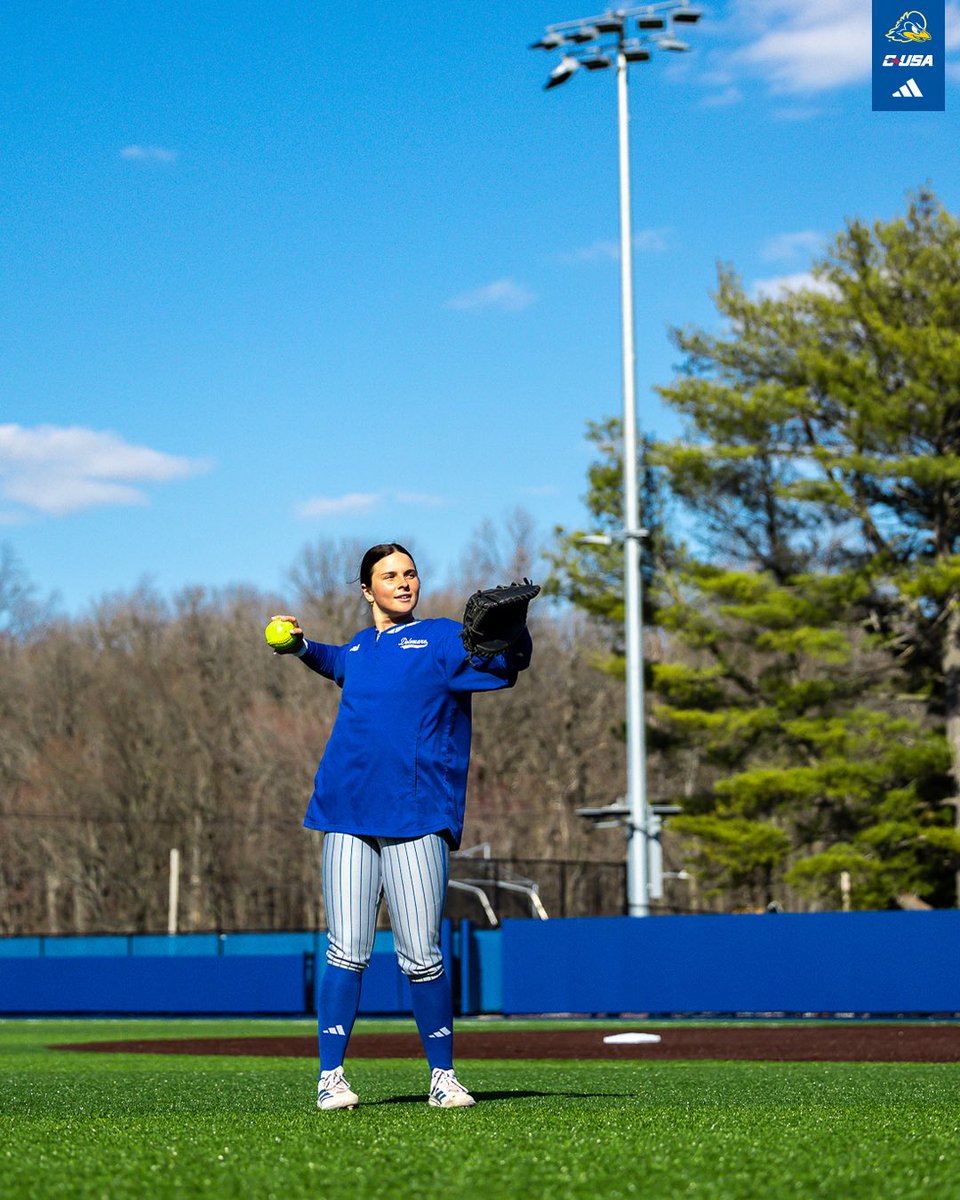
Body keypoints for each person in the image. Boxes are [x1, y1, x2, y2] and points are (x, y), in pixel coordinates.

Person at [270, 542, 533, 1111]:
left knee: (421, 954)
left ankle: (443, 1076)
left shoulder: (440, 639)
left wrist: (516, 634)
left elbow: (503, 667)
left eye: (410, 573)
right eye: (390, 576)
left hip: (416, 814)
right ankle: (331, 1077)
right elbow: (336, 662)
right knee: (346, 950)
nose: (404, 582)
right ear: (368, 590)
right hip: (346, 811)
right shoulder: (361, 647)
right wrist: (300, 647)